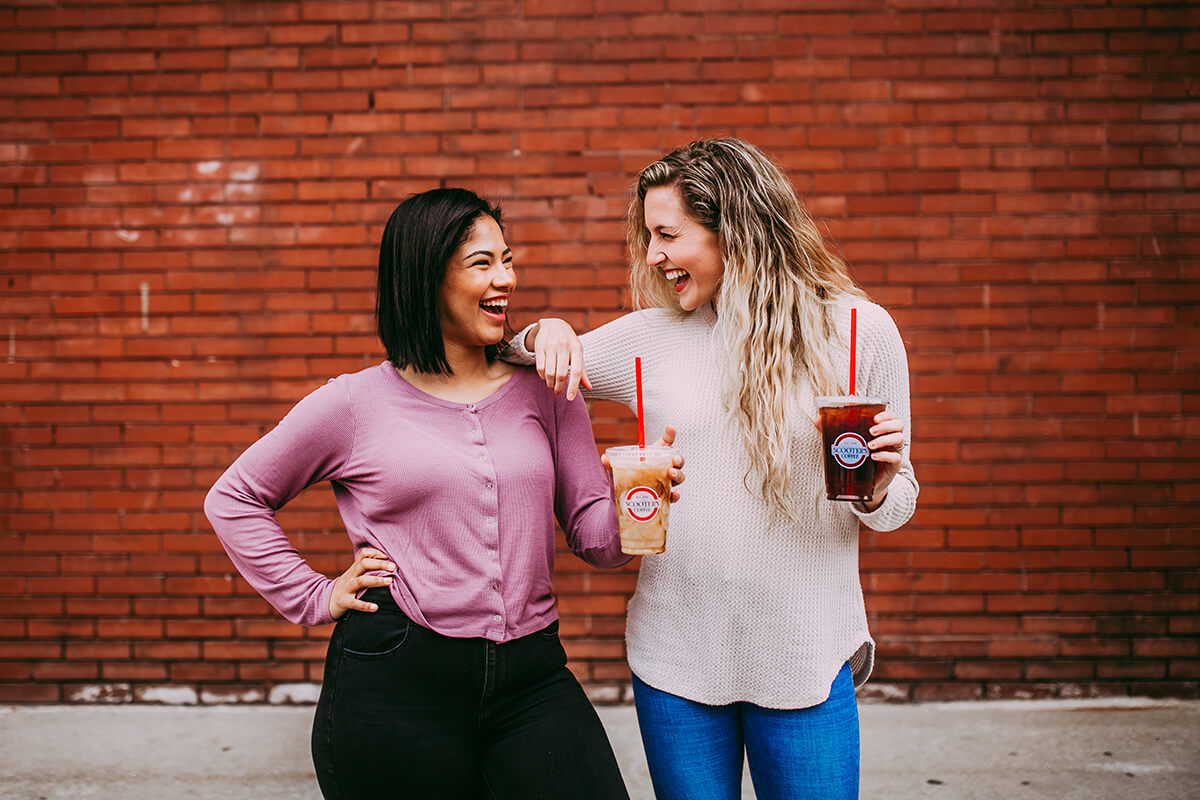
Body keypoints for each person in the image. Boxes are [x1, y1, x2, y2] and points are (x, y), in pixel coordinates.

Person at [205, 188, 681, 800]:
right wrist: (314, 595)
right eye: (482, 263)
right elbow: (235, 499)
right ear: (426, 276)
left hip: (532, 676)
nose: (505, 278)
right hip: (396, 678)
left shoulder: (546, 392)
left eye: (507, 259)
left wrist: (643, 500)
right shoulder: (351, 405)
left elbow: (594, 537)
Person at [504, 138, 918, 800]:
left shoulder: (860, 334)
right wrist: (544, 331)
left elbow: (898, 506)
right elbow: (511, 359)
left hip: (805, 656)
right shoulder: (649, 341)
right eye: (648, 235)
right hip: (676, 662)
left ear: (736, 227)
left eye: (667, 234)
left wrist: (878, 490)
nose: (652, 255)